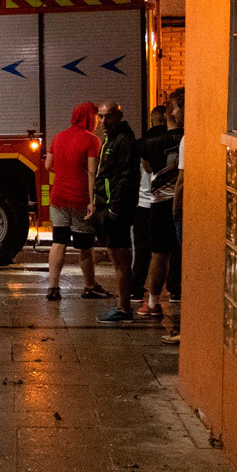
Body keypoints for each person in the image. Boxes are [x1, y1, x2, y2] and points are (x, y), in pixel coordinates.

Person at [45, 101, 110, 301]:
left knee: (59, 241)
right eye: (97, 117)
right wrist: (92, 200)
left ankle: (53, 287)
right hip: (80, 198)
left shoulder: (58, 137)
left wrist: (65, 173)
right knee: (84, 245)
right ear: (90, 118)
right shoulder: (92, 141)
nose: (99, 121)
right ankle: (90, 286)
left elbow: (48, 165)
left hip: (58, 197)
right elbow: (92, 172)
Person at [94, 101, 140, 324]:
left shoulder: (123, 141)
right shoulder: (111, 140)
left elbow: (125, 179)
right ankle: (123, 306)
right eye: (100, 116)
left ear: (118, 117)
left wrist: (114, 209)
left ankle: (123, 308)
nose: (103, 121)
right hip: (112, 207)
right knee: (117, 259)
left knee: (120, 260)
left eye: (108, 116)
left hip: (117, 210)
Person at [136, 103, 183, 320]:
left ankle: (153, 302)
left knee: (158, 254)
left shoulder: (149, 143)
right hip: (183, 201)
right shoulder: (188, 137)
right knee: (181, 252)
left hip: (161, 202)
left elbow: (147, 168)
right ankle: (179, 292)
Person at [131, 106, 169, 302]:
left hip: (142, 204)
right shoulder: (173, 143)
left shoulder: (141, 145)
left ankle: (136, 289)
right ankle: (173, 290)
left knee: (141, 251)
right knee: (163, 252)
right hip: (163, 203)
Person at [165, 88, 185, 344]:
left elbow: (182, 181)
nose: (174, 112)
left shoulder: (185, 139)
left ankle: (185, 328)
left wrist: (175, 209)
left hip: (181, 210)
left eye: (177, 107)